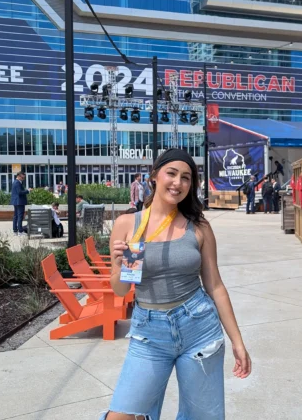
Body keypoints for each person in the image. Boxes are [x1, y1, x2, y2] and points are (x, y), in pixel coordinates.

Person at [101, 148, 251, 420]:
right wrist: (121, 267)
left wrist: (238, 342)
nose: (178, 183)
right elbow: (121, 290)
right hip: (149, 333)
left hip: (199, 328)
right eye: (171, 173)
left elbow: (215, 286)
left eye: (186, 177)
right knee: (121, 415)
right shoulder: (126, 224)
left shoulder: (199, 227)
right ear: (154, 177)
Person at [10, 172, 28, 236]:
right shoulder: (17, 182)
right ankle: (20, 231)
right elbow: (19, 192)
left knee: (16, 216)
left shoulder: (15, 182)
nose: (23, 179)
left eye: (24, 178)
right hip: (19, 202)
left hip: (16, 201)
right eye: (22, 177)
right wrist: (28, 191)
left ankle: (15, 231)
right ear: (18, 176)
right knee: (19, 216)